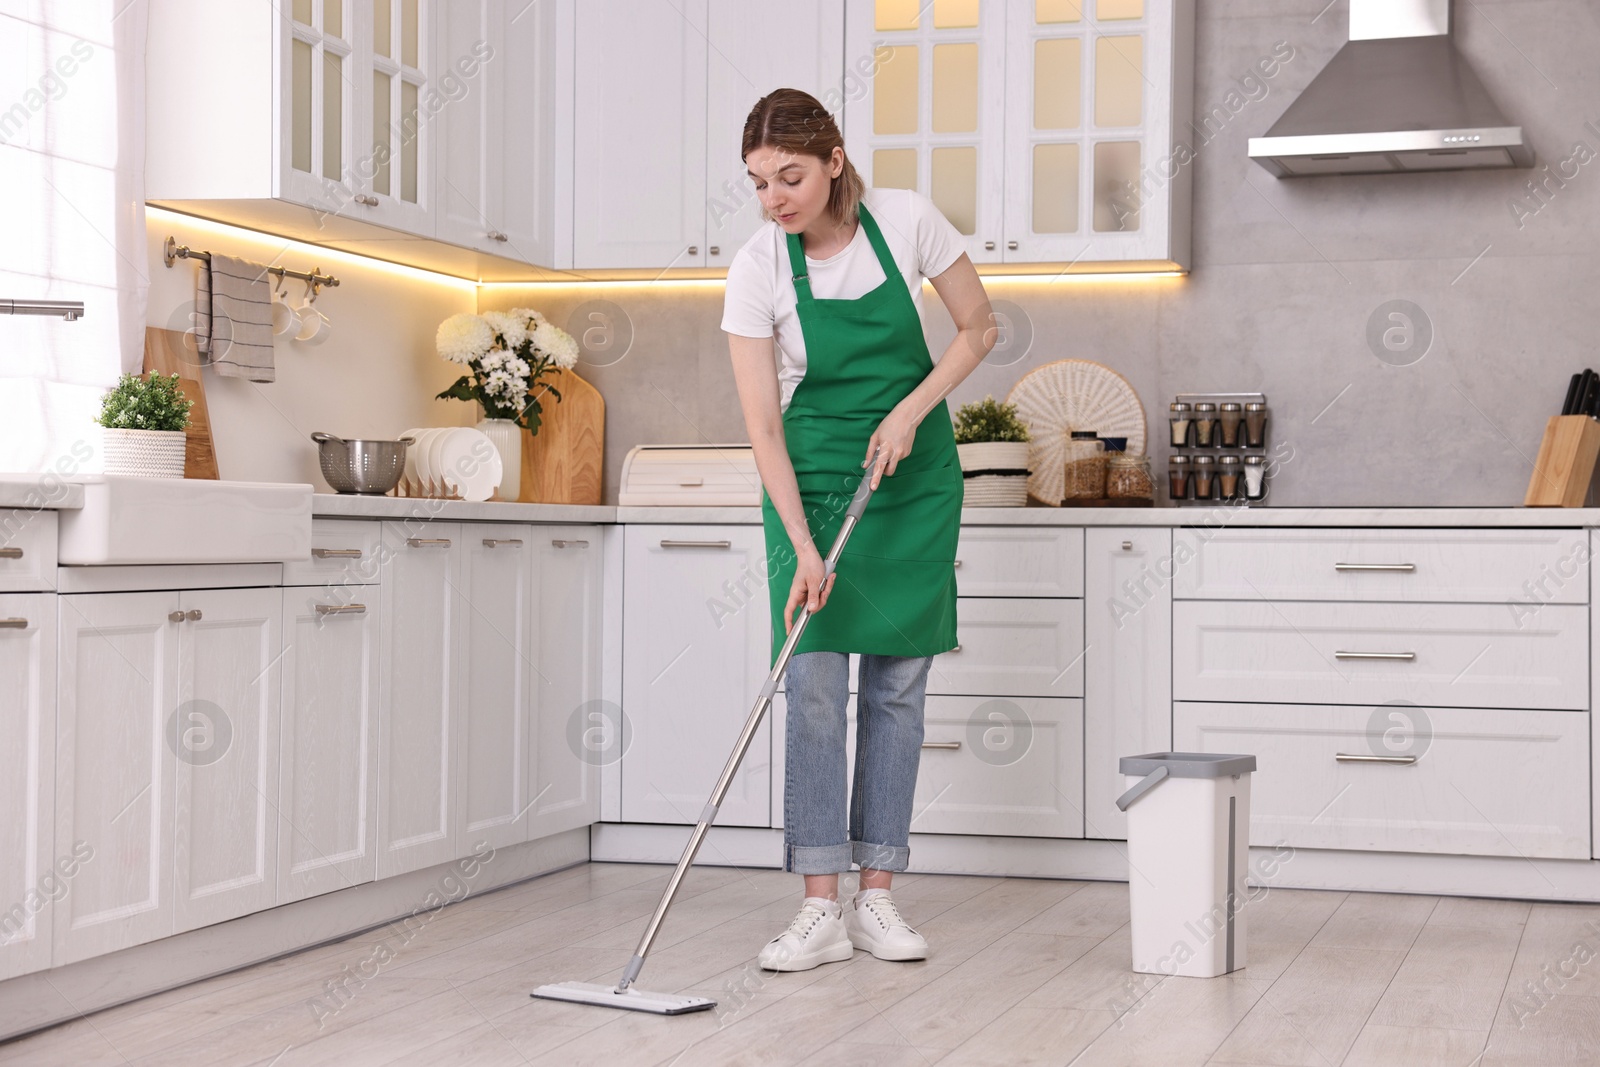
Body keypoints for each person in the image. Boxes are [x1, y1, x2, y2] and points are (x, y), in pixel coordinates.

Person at [721, 88, 995, 972]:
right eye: (760, 183)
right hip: (808, 482)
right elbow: (764, 425)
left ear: (834, 160)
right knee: (809, 686)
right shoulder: (757, 266)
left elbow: (978, 328)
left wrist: (915, 407)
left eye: (790, 177)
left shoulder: (907, 221)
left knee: (896, 691)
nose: (775, 200)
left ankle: (878, 896)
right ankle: (818, 907)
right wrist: (802, 544)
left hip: (910, 480)